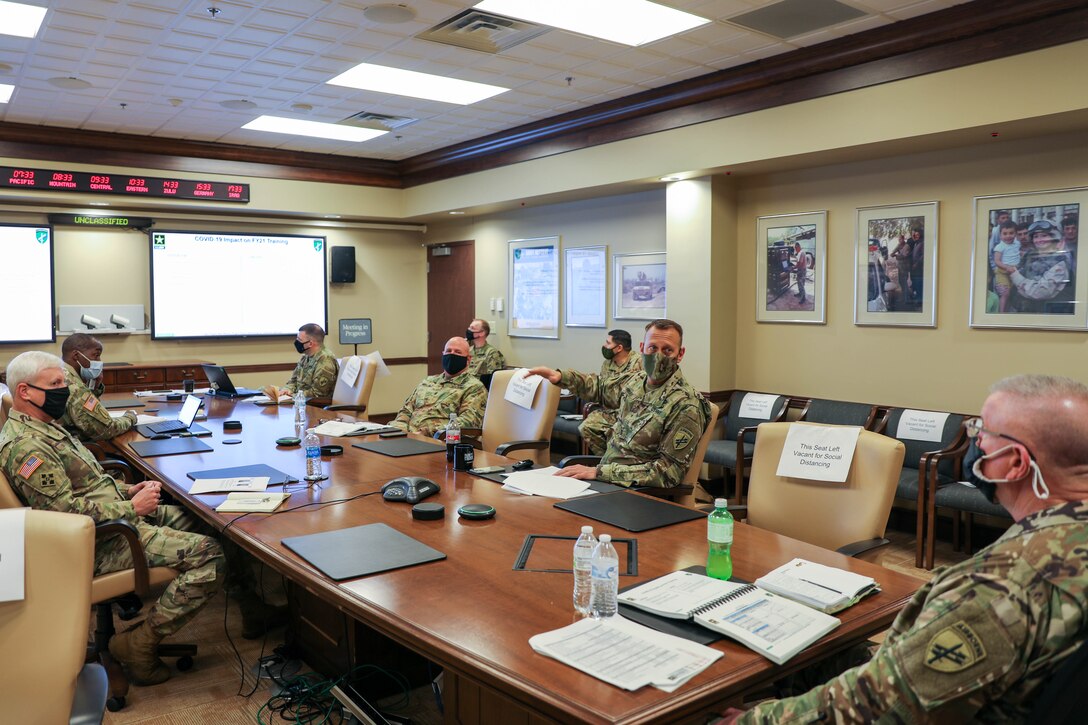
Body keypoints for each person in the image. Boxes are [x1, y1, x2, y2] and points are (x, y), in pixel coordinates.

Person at [720, 374, 1088, 723]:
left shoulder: (1000, 585)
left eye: (982, 433)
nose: (974, 442)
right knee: (828, 653)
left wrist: (756, 720)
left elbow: (885, 705)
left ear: (1015, 463)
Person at [0, 352, 286, 685]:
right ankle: (139, 643)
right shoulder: (27, 447)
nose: (66, 390)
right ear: (25, 392)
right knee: (211, 554)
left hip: (112, 520)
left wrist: (128, 489)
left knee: (217, 521)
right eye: (56, 384)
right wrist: (132, 508)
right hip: (101, 541)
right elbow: (65, 516)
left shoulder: (45, 427)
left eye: (64, 382)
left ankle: (252, 610)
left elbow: (86, 487)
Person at [527, 319, 710, 488]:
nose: (659, 357)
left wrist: (599, 472)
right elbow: (601, 388)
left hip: (639, 492)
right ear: (642, 348)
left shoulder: (686, 404)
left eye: (668, 350)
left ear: (680, 354)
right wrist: (560, 377)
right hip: (609, 480)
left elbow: (668, 472)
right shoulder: (637, 382)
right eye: (652, 348)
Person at [389, 336, 487, 437]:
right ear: (443, 354)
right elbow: (406, 410)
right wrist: (400, 429)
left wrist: (427, 432)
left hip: (439, 440)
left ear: (468, 359)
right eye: (448, 351)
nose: (451, 354)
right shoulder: (428, 381)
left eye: (457, 352)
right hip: (408, 436)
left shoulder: (474, 388)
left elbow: (468, 422)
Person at [567, 330, 643, 455]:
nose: (604, 346)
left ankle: (617, 459)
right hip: (610, 411)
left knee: (618, 432)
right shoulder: (607, 364)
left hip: (631, 413)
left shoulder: (638, 363)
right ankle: (605, 459)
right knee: (587, 427)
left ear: (619, 348)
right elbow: (602, 388)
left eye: (608, 343)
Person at [57, 332, 138, 441]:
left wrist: (93, 388)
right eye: (96, 355)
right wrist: (130, 418)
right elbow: (105, 429)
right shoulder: (74, 386)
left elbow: (80, 411)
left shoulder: (59, 372)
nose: (99, 361)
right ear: (76, 356)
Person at [1010, 219, 1075, 314]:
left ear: (1054, 237)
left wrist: (1016, 277)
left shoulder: (1060, 263)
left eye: (1044, 235)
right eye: (1036, 236)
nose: (1039, 240)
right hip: (1026, 312)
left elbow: (1040, 292)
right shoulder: (1030, 256)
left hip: (1050, 316)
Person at [276, 323, 338, 399]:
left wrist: (292, 396)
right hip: (301, 402)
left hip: (316, 407)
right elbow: (293, 381)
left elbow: (318, 394)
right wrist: (287, 390)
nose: (297, 342)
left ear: (310, 344)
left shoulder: (326, 360)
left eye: (300, 340)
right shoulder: (305, 357)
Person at [991, 219, 1020, 313]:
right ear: (1000, 235)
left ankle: (1009, 311)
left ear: (1015, 234)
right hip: (1002, 272)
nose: (1008, 236)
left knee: (1013, 293)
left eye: (1011, 233)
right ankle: (1001, 313)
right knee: (1005, 293)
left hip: (1014, 271)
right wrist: (1007, 267)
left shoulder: (1017, 244)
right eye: (1005, 233)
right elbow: (997, 261)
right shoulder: (1000, 246)